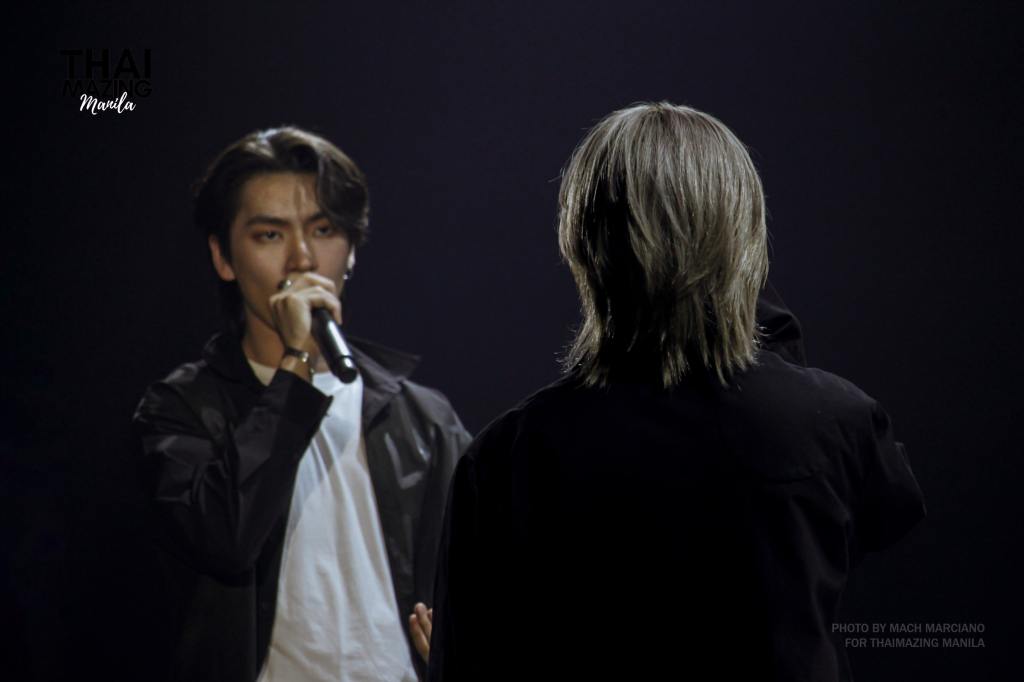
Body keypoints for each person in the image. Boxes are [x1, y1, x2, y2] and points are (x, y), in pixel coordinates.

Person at [427, 103, 926, 681]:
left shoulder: (506, 459)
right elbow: (892, 512)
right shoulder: (835, 422)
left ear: (581, 243)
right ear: (744, 236)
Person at [132, 127, 470, 682]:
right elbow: (226, 540)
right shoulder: (181, 408)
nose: (303, 258)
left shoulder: (423, 420)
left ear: (352, 249)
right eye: (269, 234)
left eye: (324, 229)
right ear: (223, 256)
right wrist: (297, 366)